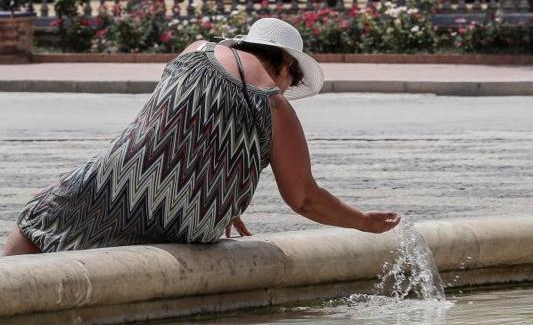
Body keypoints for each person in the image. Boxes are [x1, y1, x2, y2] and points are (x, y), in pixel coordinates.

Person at [2, 18, 400, 257]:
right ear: (284, 63)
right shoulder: (278, 109)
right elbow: (304, 198)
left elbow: (170, 125)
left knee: (38, 222)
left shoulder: (196, 51)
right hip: (193, 220)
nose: (289, 85)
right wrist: (362, 222)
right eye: (294, 76)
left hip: (114, 188)